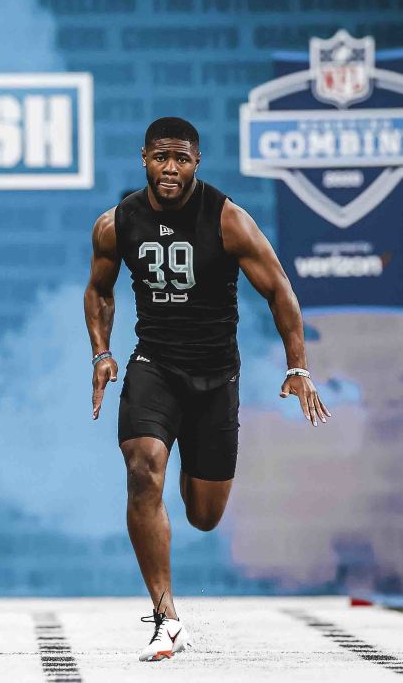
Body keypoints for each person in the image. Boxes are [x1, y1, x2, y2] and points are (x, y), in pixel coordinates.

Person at [83, 116, 331, 662]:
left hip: (216, 375)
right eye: (160, 158)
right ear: (143, 158)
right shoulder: (116, 223)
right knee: (143, 467)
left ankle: (179, 502)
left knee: (203, 513)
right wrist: (102, 352)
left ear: (197, 163)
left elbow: (279, 289)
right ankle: (166, 618)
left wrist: (299, 365)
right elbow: (99, 290)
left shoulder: (228, 219)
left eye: (183, 159)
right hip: (154, 364)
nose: (170, 169)